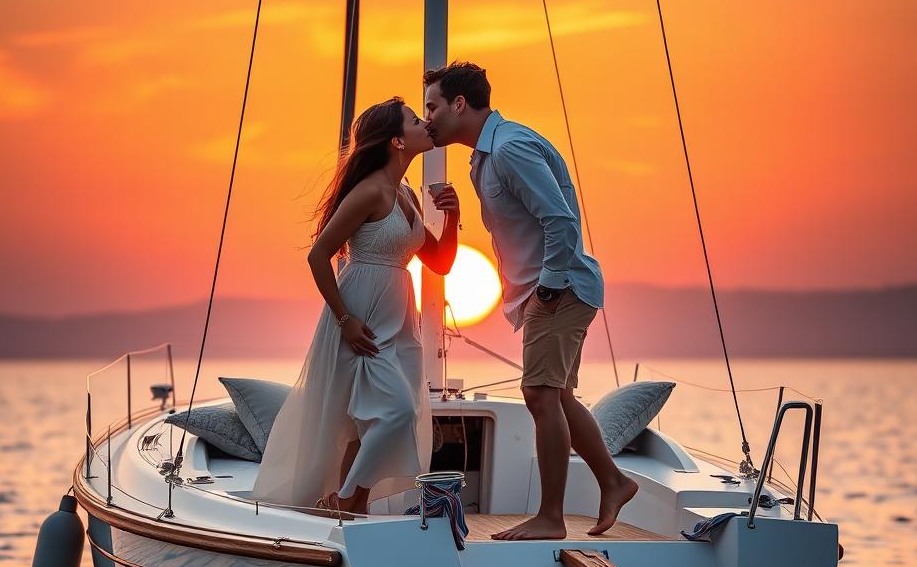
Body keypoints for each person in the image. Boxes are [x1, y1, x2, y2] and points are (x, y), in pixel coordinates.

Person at [423, 62, 637, 540]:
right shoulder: (485, 156)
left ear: (459, 104)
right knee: (557, 393)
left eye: (432, 106)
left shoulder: (511, 148)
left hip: (558, 288)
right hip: (546, 288)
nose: (429, 118)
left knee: (539, 394)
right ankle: (614, 481)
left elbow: (560, 221)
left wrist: (548, 286)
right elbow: (518, 225)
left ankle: (551, 518)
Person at [253, 97, 459, 515]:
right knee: (396, 412)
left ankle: (353, 506)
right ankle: (345, 497)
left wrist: (452, 217)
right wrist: (345, 319)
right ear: (397, 141)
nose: (425, 124)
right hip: (360, 314)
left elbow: (440, 261)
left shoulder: (404, 193)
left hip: (400, 318)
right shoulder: (369, 192)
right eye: (416, 120)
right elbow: (319, 254)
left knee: (370, 422)